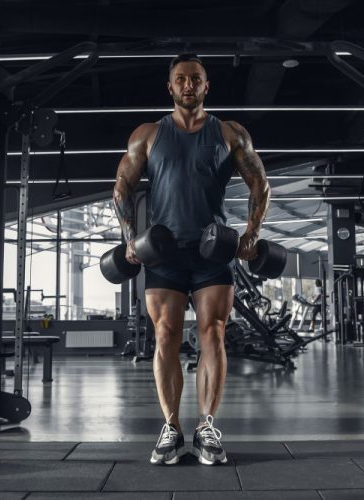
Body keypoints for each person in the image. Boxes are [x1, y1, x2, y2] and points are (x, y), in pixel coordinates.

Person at [112, 54, 270, 466]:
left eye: (195, 79)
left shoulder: (230, 132)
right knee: (165, 334)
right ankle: (170, 428)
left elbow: (260, 183)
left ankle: (206, 426)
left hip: (211, 249)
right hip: (163, 251)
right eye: (180, 79)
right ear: (170, 87)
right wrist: (129, 238)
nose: (187, 85)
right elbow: (121, 188)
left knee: (213, 333)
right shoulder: (147, 134)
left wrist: (251, 234)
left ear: (206, 86)